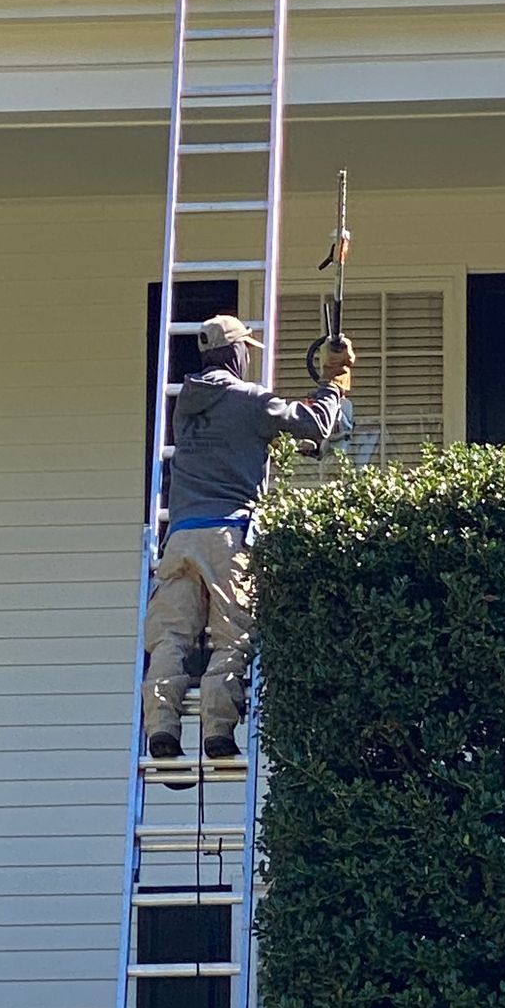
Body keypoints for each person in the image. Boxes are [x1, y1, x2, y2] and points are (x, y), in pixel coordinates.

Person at [142, 311, 355, 766]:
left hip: (179, 539)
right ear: (236, 353)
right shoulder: (249, 400)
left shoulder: (187, 403)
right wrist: (334, 382)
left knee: (170, 639)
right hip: (226, 534)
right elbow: (313, 423)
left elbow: (240, 441)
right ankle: (218, 731)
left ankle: (161, 726)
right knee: (232, 635)